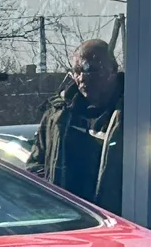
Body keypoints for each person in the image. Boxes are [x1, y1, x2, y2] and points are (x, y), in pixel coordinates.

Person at [28, 39, 124, 213]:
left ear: (113, 70)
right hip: (68, 219)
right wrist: (51, 191)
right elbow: (34, 166)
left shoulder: (133, 113)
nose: (82, 78)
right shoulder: (57, 114)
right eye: (78, 71)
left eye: (92, 69)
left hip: (118, 219)